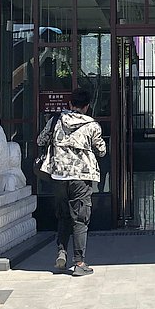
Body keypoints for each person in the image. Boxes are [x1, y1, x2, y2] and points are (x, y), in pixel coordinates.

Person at [36, 88, 106, 276]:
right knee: (80, 219)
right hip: (81, 177)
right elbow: (101, 150)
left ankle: (61, 251)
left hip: (58, 175)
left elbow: (40, 140)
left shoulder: (55, 120)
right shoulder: (92, 125)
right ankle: (79, 263)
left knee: (63, 216)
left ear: (70, 104)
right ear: (87, 106)